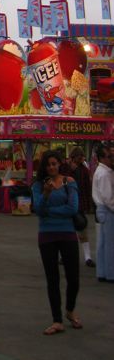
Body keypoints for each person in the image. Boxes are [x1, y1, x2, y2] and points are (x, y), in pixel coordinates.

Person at [31, 149, 82, 335]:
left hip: (67, 233)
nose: (52, 167)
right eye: (48, 164)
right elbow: (38, 209)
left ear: (60, 164)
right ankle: (57, 319)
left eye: (54, 163)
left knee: (73, 277)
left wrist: (50, 211)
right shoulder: (38, 185)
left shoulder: (70, 182)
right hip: (47, 235)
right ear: (44, 167)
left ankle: (70, 309)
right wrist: (45, 195)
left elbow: (73, 208)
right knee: (52, 279)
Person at [66, 146, 94, 267]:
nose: (82, 158)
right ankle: (65, 256)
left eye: (82, 156)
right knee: (69, 230)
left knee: (81, 229)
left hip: (78, 204)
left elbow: (87, 187)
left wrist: (88, 203)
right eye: (80, 156)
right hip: (71, 203)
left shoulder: (84, 170)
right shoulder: (67, 169)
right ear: (74, 157)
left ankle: (87, 257)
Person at [91, 143, 114, 283]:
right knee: (109, 244)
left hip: (101, 209)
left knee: (103, 243)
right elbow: (108, 198)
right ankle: (110, 273)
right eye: (109, 156)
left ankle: (102, 272)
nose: (111, 159)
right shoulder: (104, 173)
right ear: (101, 157)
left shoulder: (101, 171)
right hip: (107, 209)